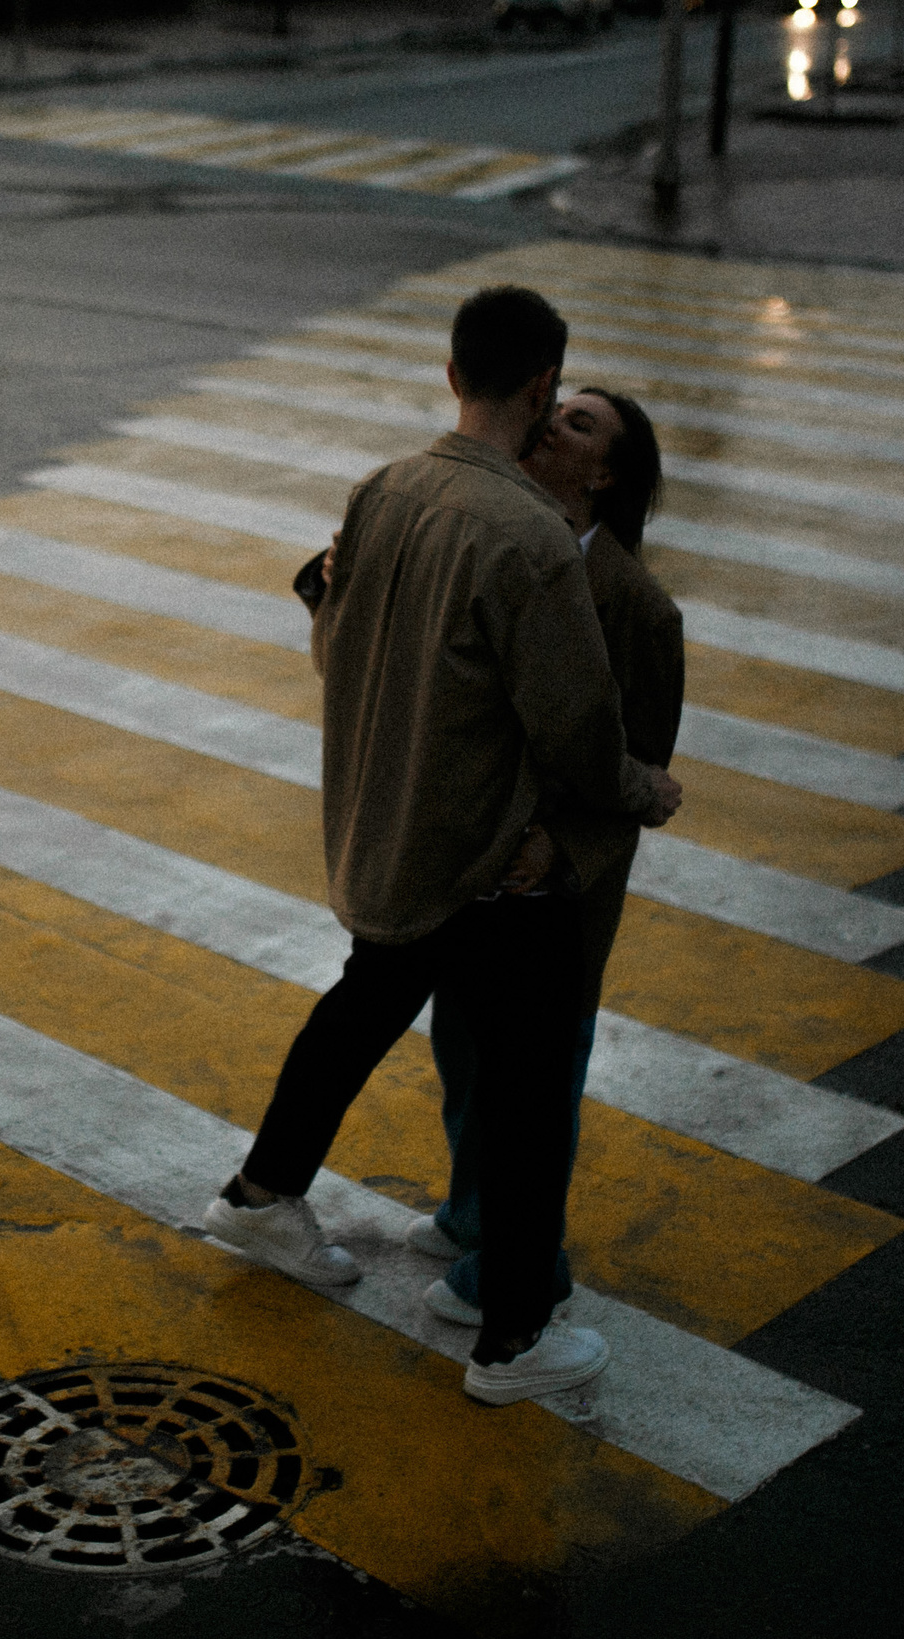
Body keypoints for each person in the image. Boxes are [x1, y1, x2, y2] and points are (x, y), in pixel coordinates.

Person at [201, 287, 682, 1406]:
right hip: (483, 859)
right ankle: (513, 1338)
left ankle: (262, 1196)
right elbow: (577, 729)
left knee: (367, 1009)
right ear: (537, 388)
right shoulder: (524, 540)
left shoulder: (384, 490)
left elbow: (344, 653)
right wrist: (636, 790)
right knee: (521, 1090)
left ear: (451, 369)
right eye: (560, 404)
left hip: (391, 832)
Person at [409, 386, 685, 1329]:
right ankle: (472, 1214)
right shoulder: (504, 539)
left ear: (603, 474)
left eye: (575, 422)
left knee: (542, 1074)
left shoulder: (640, 608)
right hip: (475, 859)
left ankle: (524, 1271)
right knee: (464, 1043)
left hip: (557, 886)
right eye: (554, 407)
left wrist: (557, 845)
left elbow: (642, 764)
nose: (545, 421)